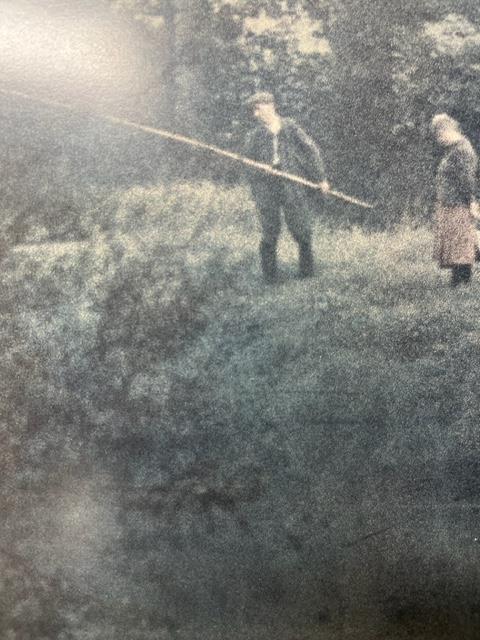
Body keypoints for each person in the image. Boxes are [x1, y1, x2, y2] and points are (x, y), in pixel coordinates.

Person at [243, 92, 330, 284]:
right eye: (253, 111)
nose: (255, 115)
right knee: (269, 230)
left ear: (269, 106)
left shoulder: (290, 127)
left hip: (291, 182)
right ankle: (270, 277)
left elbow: (311, 150)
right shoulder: (254, 135)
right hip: (266, 187)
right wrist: (260, 168)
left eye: (257, 109)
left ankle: (306, 273)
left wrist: (321, 178)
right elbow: (246, 164)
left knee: (301, 227)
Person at [431, 113, 479, 287]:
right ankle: (459, 281)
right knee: (455, 244)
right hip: (451, 203)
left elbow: (466, 180)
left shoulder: (462, 150)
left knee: (461, 244)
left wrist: (471, 202)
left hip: (459, 204)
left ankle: (461, 281)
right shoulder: (454, 149)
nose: (439, 139)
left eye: (439, 134)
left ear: (448, 130)